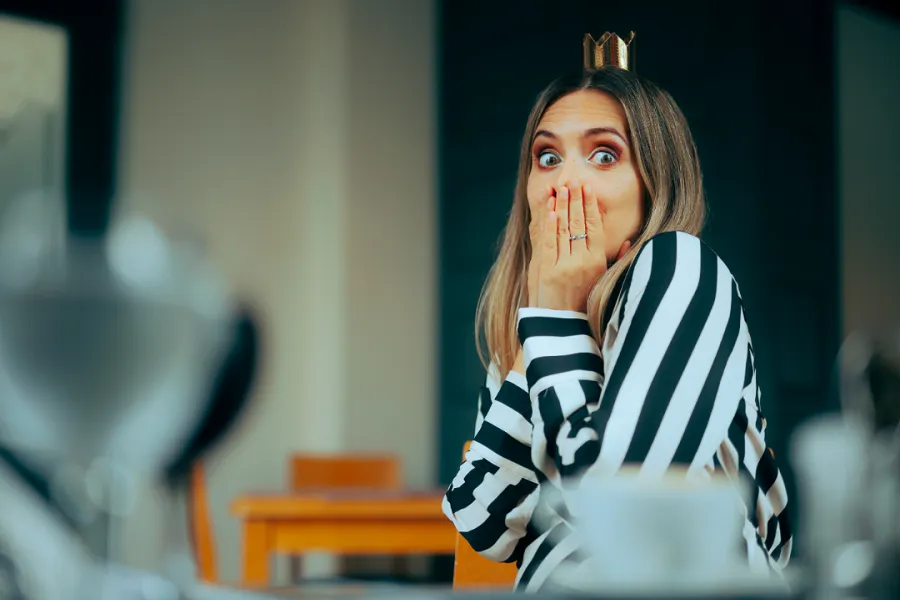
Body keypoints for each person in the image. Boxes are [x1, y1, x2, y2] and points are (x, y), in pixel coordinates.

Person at [441, 63, 793, 592]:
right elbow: (482, 522)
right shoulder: (531, 323)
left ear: (655, 184)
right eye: (547, 157)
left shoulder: (682, 269)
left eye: (604, 154)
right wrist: (546, 317)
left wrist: (556, 322)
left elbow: (625, 516)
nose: (566, 183)